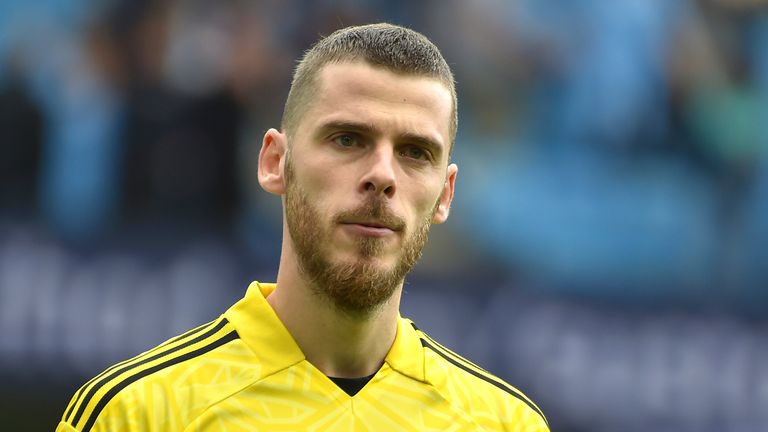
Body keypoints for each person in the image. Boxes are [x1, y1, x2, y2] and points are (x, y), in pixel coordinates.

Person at [57, 23, 549, 431]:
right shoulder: (138, 415)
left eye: (415, 152)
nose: (382, 174)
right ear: (275, 162)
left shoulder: (505, 423)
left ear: (445, 194)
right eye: (347, 139)